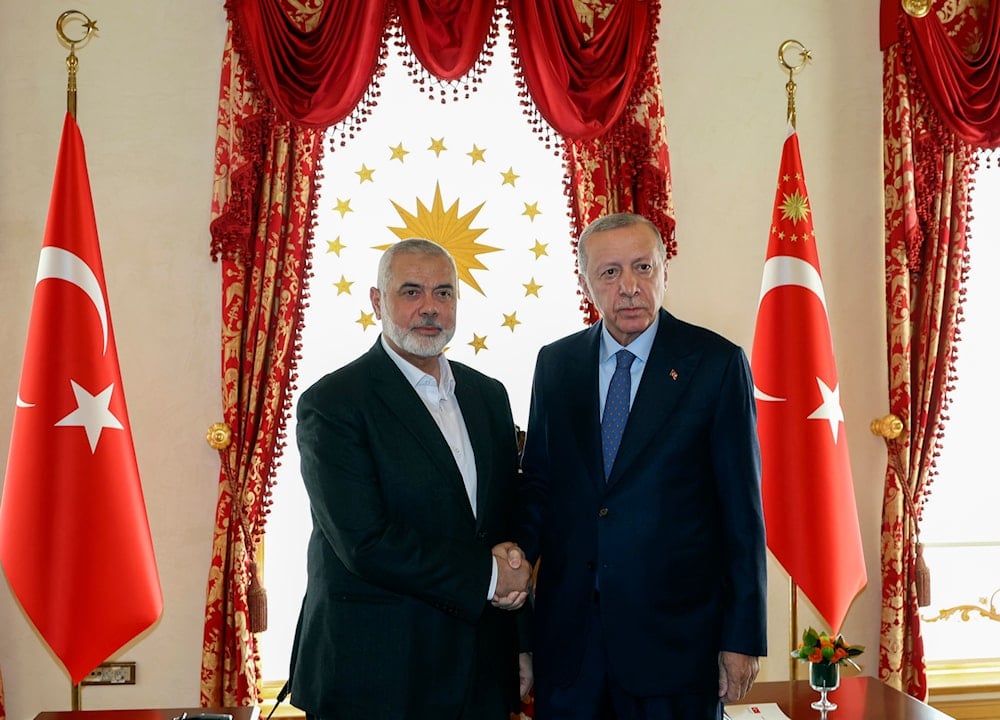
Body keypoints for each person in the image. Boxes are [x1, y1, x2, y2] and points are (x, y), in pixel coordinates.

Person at [517, 213, 767, 720]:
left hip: (676, 649)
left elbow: (742, 511)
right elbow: (540, 487)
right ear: (586, 281)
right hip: (570, 648)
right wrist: (511, 572)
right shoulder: (556, 365)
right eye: (609, 273)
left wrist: (742, 637)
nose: (629, 287)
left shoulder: (716, 364)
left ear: (664, 272)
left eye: (642, 267)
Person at [289, 238, 532, 720]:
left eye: (443, 293)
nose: (429, 308)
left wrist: (520, 642)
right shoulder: (334, 403)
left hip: (478, 671)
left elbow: (503, 526)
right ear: (378, 301)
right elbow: (364, 541)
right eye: (411, 291)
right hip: (376, 677)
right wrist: (489, 575)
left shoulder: (488, 394)